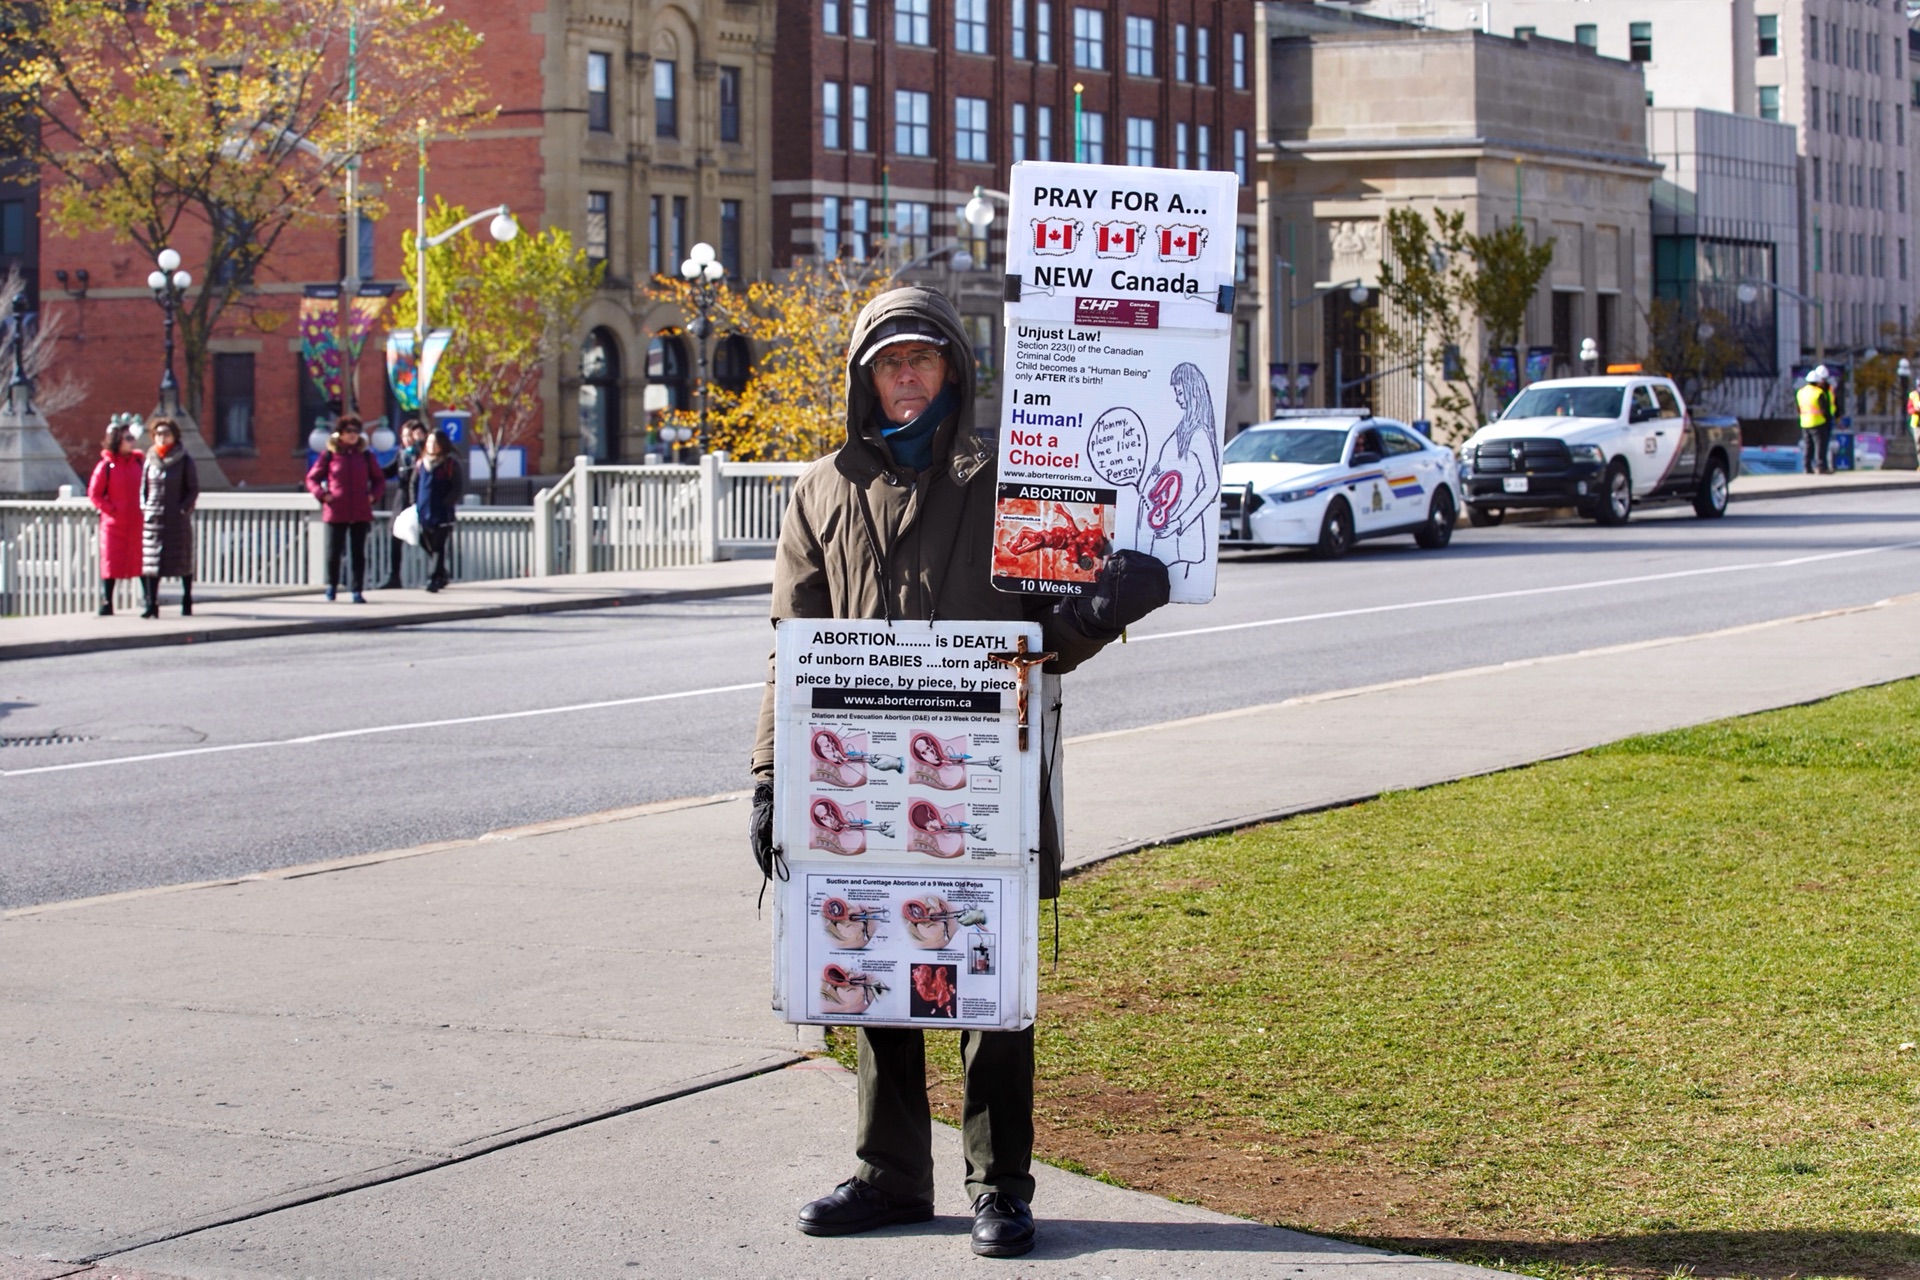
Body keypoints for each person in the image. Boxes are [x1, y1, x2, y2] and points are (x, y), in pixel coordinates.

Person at [748, 286, 1171, 1259]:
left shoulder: (1005, 479)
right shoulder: (820, 491)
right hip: (858, 779)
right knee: (876, 980)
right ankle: (891, 1172)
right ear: (865, 377)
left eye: (921, 361)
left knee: (985, 985)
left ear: (953, 370)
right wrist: (772, 775)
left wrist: (1105, 609)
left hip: (985, 778)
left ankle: (1000, 1186)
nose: (905, 379)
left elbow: (1047, 636)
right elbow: (790, 647)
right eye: (888, 363)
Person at [306, 414, 386, 603]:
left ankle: (357, 590)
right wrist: (322, 495)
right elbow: (312, 478)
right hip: (336, 509)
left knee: (358, 553)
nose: (352, 435)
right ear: (340, 434)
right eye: (348, 431)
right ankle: (332, 586)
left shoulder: (366, 456)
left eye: (356, 431)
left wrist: (373, 496)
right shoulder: (330, 455)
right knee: (334, 552)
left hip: (360, 509)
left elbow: (379, 480)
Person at [138, 417, 199, 619]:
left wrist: (183, 509)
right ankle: (151, 603)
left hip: (176, 518)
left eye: (166, 434)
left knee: (181, 559)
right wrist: (146, 508)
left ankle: (187, 599)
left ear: (174, 436)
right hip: (154, 519)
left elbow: (193, 489)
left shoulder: (184, 460)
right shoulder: (150, 461)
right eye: (158, 434)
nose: (162, 438)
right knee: (151, 563)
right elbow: (144, 489)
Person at [85, 419, 144, 615]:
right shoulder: (106, 466)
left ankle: (149, 599)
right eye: (128, 438)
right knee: (111, 560)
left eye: (132, 438)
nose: (132, 442)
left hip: (137, 520)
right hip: (114, 523)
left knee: (141, 559)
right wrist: (111, 510)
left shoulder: (138, 463)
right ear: (118, 440)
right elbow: (94, 493)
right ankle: (107, 601)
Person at [413, 427, 463, 592]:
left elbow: (457, 488)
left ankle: (433, 578)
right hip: (423, 511)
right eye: (429, 442)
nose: (432, 446)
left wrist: (446, 503)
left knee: (438, 546)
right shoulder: (421, 463)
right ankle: (442, 573)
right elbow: (413, 485)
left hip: (442, 512)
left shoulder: (450, 464)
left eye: (435, 443)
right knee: (425, 541)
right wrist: (414, 504)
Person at [379, 417, 427, 590]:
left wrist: (420, 443)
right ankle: (394, 576)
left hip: (418, 498)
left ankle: (437, 570)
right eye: (403, 436)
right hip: (401, 498)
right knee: (395, 535)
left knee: (424, 536)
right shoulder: (401, 453)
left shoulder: (422, 452)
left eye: (409, 436)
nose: (406, 440)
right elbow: (388, 471)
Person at [1797, 366, 1834, 476]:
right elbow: (1824, 409)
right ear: (1817, 382)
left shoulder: (1801, 392)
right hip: (1818, 422)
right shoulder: (1818, 392)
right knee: (1820, 446)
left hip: (1804, 422)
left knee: (1808, 446)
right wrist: (1827, 420)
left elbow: (1798, 408)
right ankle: (1821, 467)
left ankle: (1807, 467)